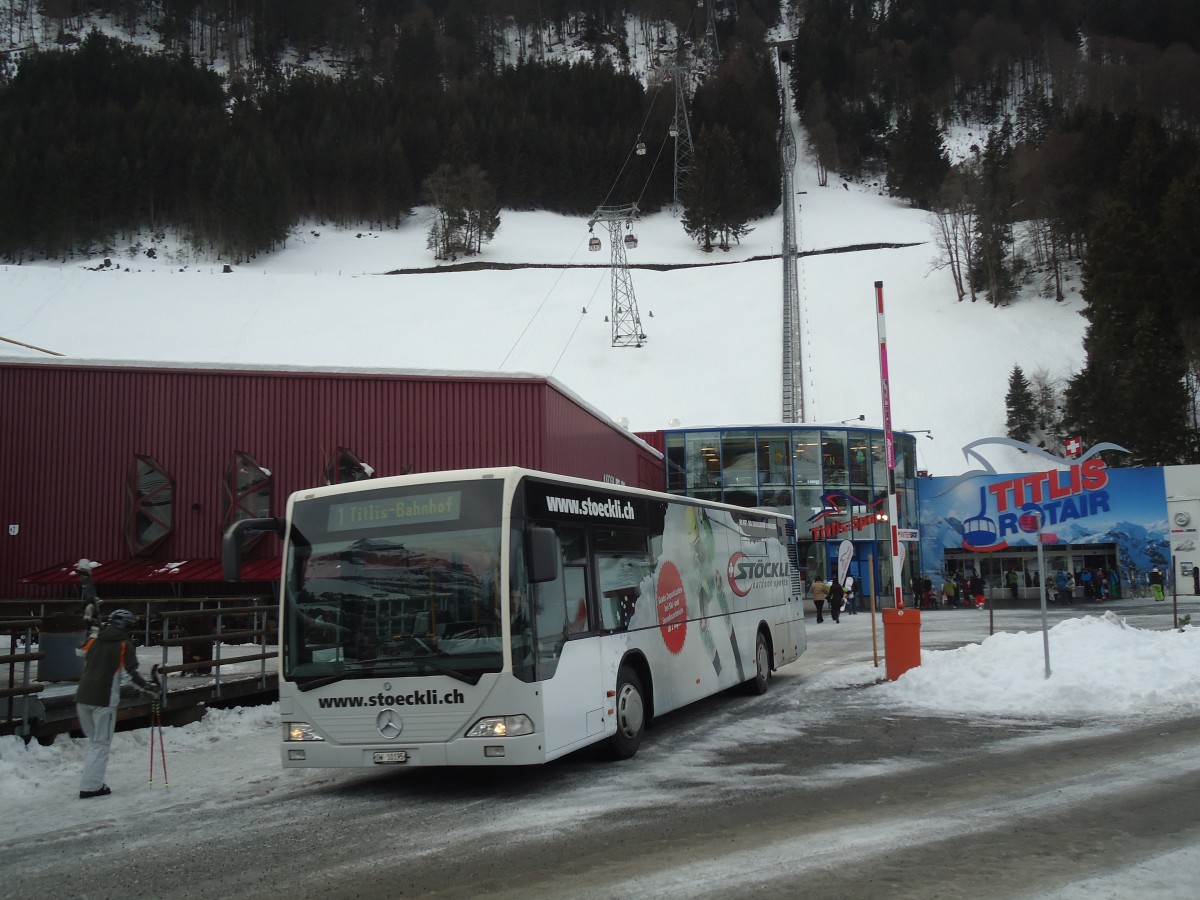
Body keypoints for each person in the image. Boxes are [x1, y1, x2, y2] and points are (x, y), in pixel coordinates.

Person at [75, 609, 159, 799]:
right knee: (101, 743)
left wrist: (94, 631)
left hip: (82, 696)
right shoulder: (124, 645)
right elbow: (130, 675)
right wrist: (149, 688)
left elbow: (79, 650)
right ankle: (91, 786)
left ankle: (91, 781)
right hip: (104, 699)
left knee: (94, 742)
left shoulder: (96, 639)